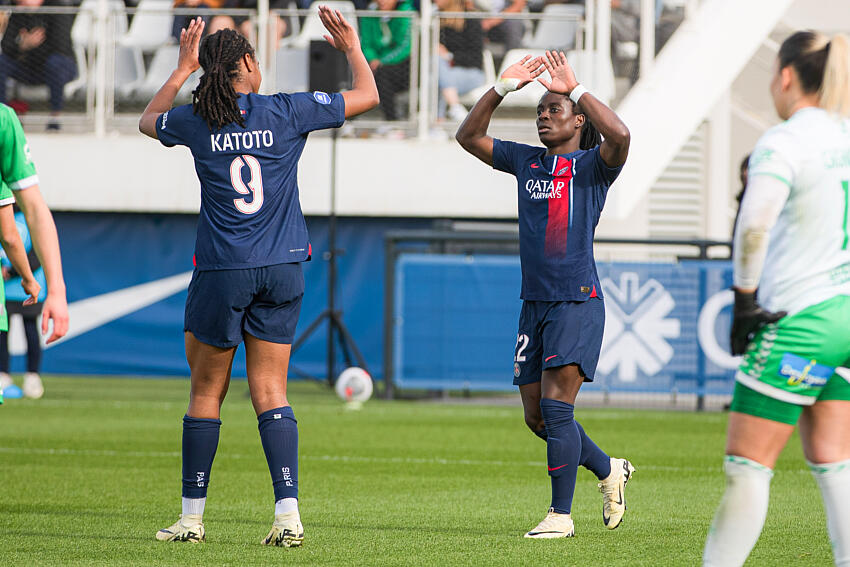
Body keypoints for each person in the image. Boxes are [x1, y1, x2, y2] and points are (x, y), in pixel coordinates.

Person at [138, 8, 378, 546]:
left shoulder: (195, 119)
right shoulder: (287, 110)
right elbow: (367, 97)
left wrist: (181, 70)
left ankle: (192, 520)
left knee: (206, 392)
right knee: (272, 390)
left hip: (223, 269)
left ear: (209, 71)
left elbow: (147, 120)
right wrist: (351, 49)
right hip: (283, 267)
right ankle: (287, 515)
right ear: (247, 64)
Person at [455, 50, 633, 538]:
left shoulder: (594, 166)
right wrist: (502, 87)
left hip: (576, 299)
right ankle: (608, 468)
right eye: (539, 110)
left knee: (558, 409)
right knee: (537, 418)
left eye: (554, 110)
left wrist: (574, 88)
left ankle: (560, 517)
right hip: (533, 303)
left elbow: (621, 135)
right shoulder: (526, 162)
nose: (543, 117)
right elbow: (467, 137)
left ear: (577, 119)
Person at [703, 31, 850, 567]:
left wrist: (744, 302)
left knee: (748, 466)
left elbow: (754, 224)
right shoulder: (845, 136)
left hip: (801, 319)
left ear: (786, 75)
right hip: (845, 317)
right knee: (834, 461)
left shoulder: (785, 140)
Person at [0, 102, 70, 404]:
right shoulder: (3, 119)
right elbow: (11, 237)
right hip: (21, 287)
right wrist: (40, 283)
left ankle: (30, 376)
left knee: (29, 332)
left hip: (16, 287)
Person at [0, 0, 77, 130]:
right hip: (28, 67)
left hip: (57, 68)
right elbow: (6, 45)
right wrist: (23, 45)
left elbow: (60, 46)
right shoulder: (20, 13)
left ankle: (55, 117)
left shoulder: (57, 8)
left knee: (55, 62)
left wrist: (31, 46)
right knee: (2, 62)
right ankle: (4, 118)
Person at [0, 207, 48, 399]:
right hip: (5, 290)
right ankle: (3, 374)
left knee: (30, 331)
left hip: (31, 286)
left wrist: (12, 272)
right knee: (3, 332)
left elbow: (37, 255)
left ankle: (32, 376)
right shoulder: (3, 213)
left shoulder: (30, 216)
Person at [359, 0, 413, 121]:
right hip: (375, 65)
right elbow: (366, 44)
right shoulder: (369, 14)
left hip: (402, 67)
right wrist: (373, 59)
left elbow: (405, 47)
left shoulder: (406, 13)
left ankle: (392, 121)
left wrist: (382, 61)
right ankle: (350, 120)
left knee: (383, 74)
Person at [436, 0, 485, 121]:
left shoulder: (470, 20)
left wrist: (449, 56)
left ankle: (437, 124)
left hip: (471, 73)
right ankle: (454, 107)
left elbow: (475, 58)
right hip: (445, 74)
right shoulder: (435, 19)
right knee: (436, 75)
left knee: (438, 77)